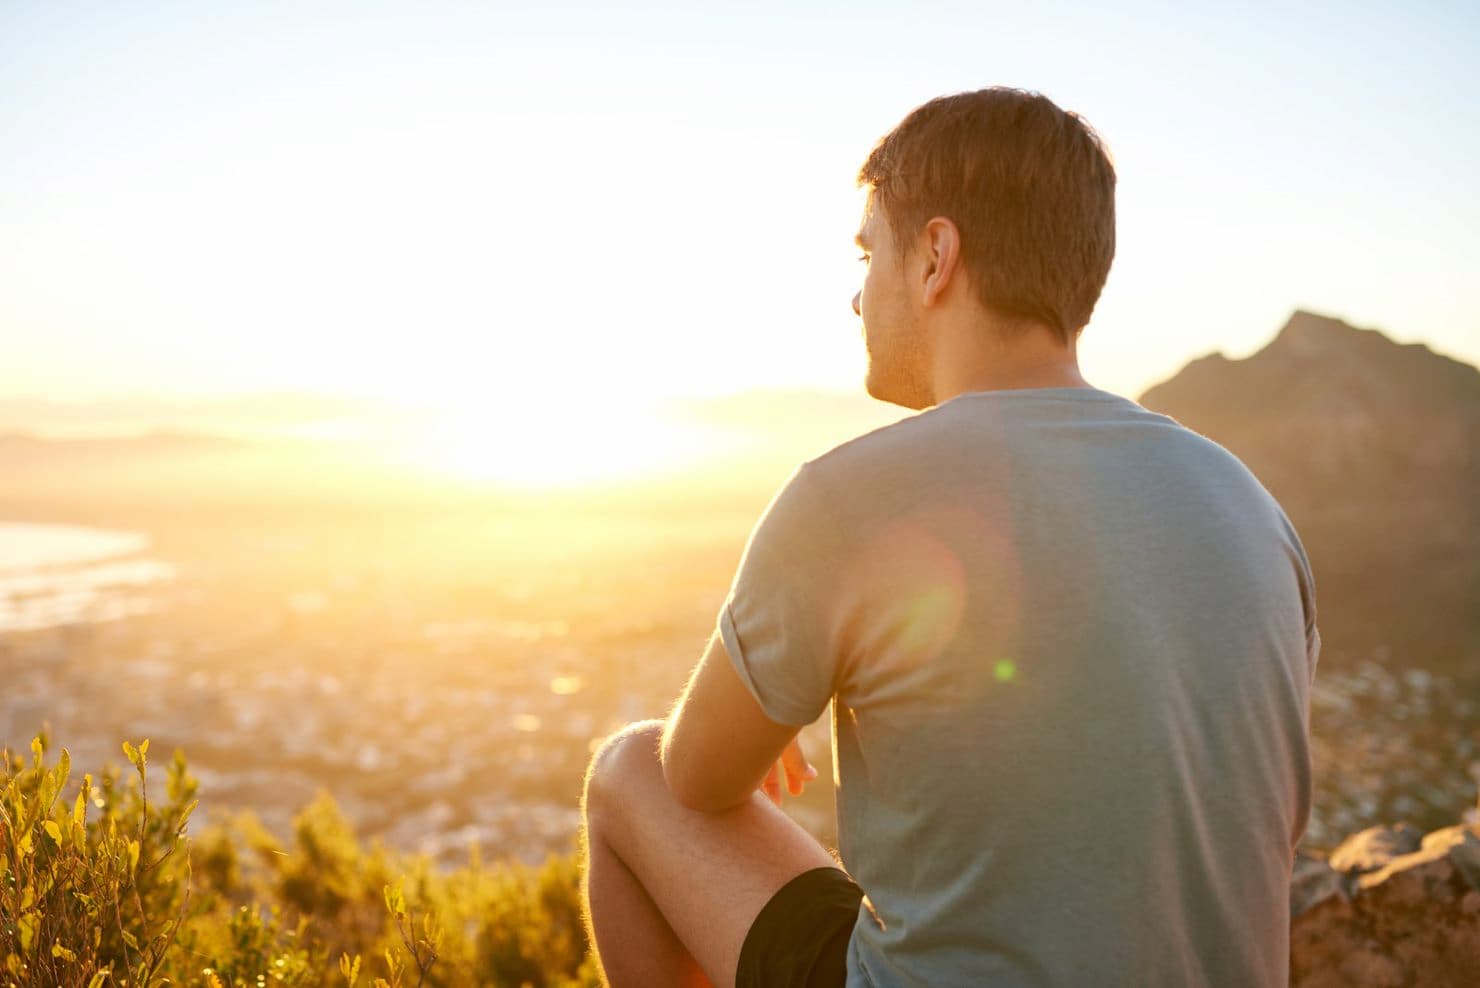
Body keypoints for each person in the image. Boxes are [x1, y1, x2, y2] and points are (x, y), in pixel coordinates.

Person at [579, 86, 1320, 988]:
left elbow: (693, 780)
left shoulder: (849, 499)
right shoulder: (1251, 508)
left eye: (867, 255)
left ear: (935, 257)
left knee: (627, 770)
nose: (856, 299)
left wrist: (764, 691)